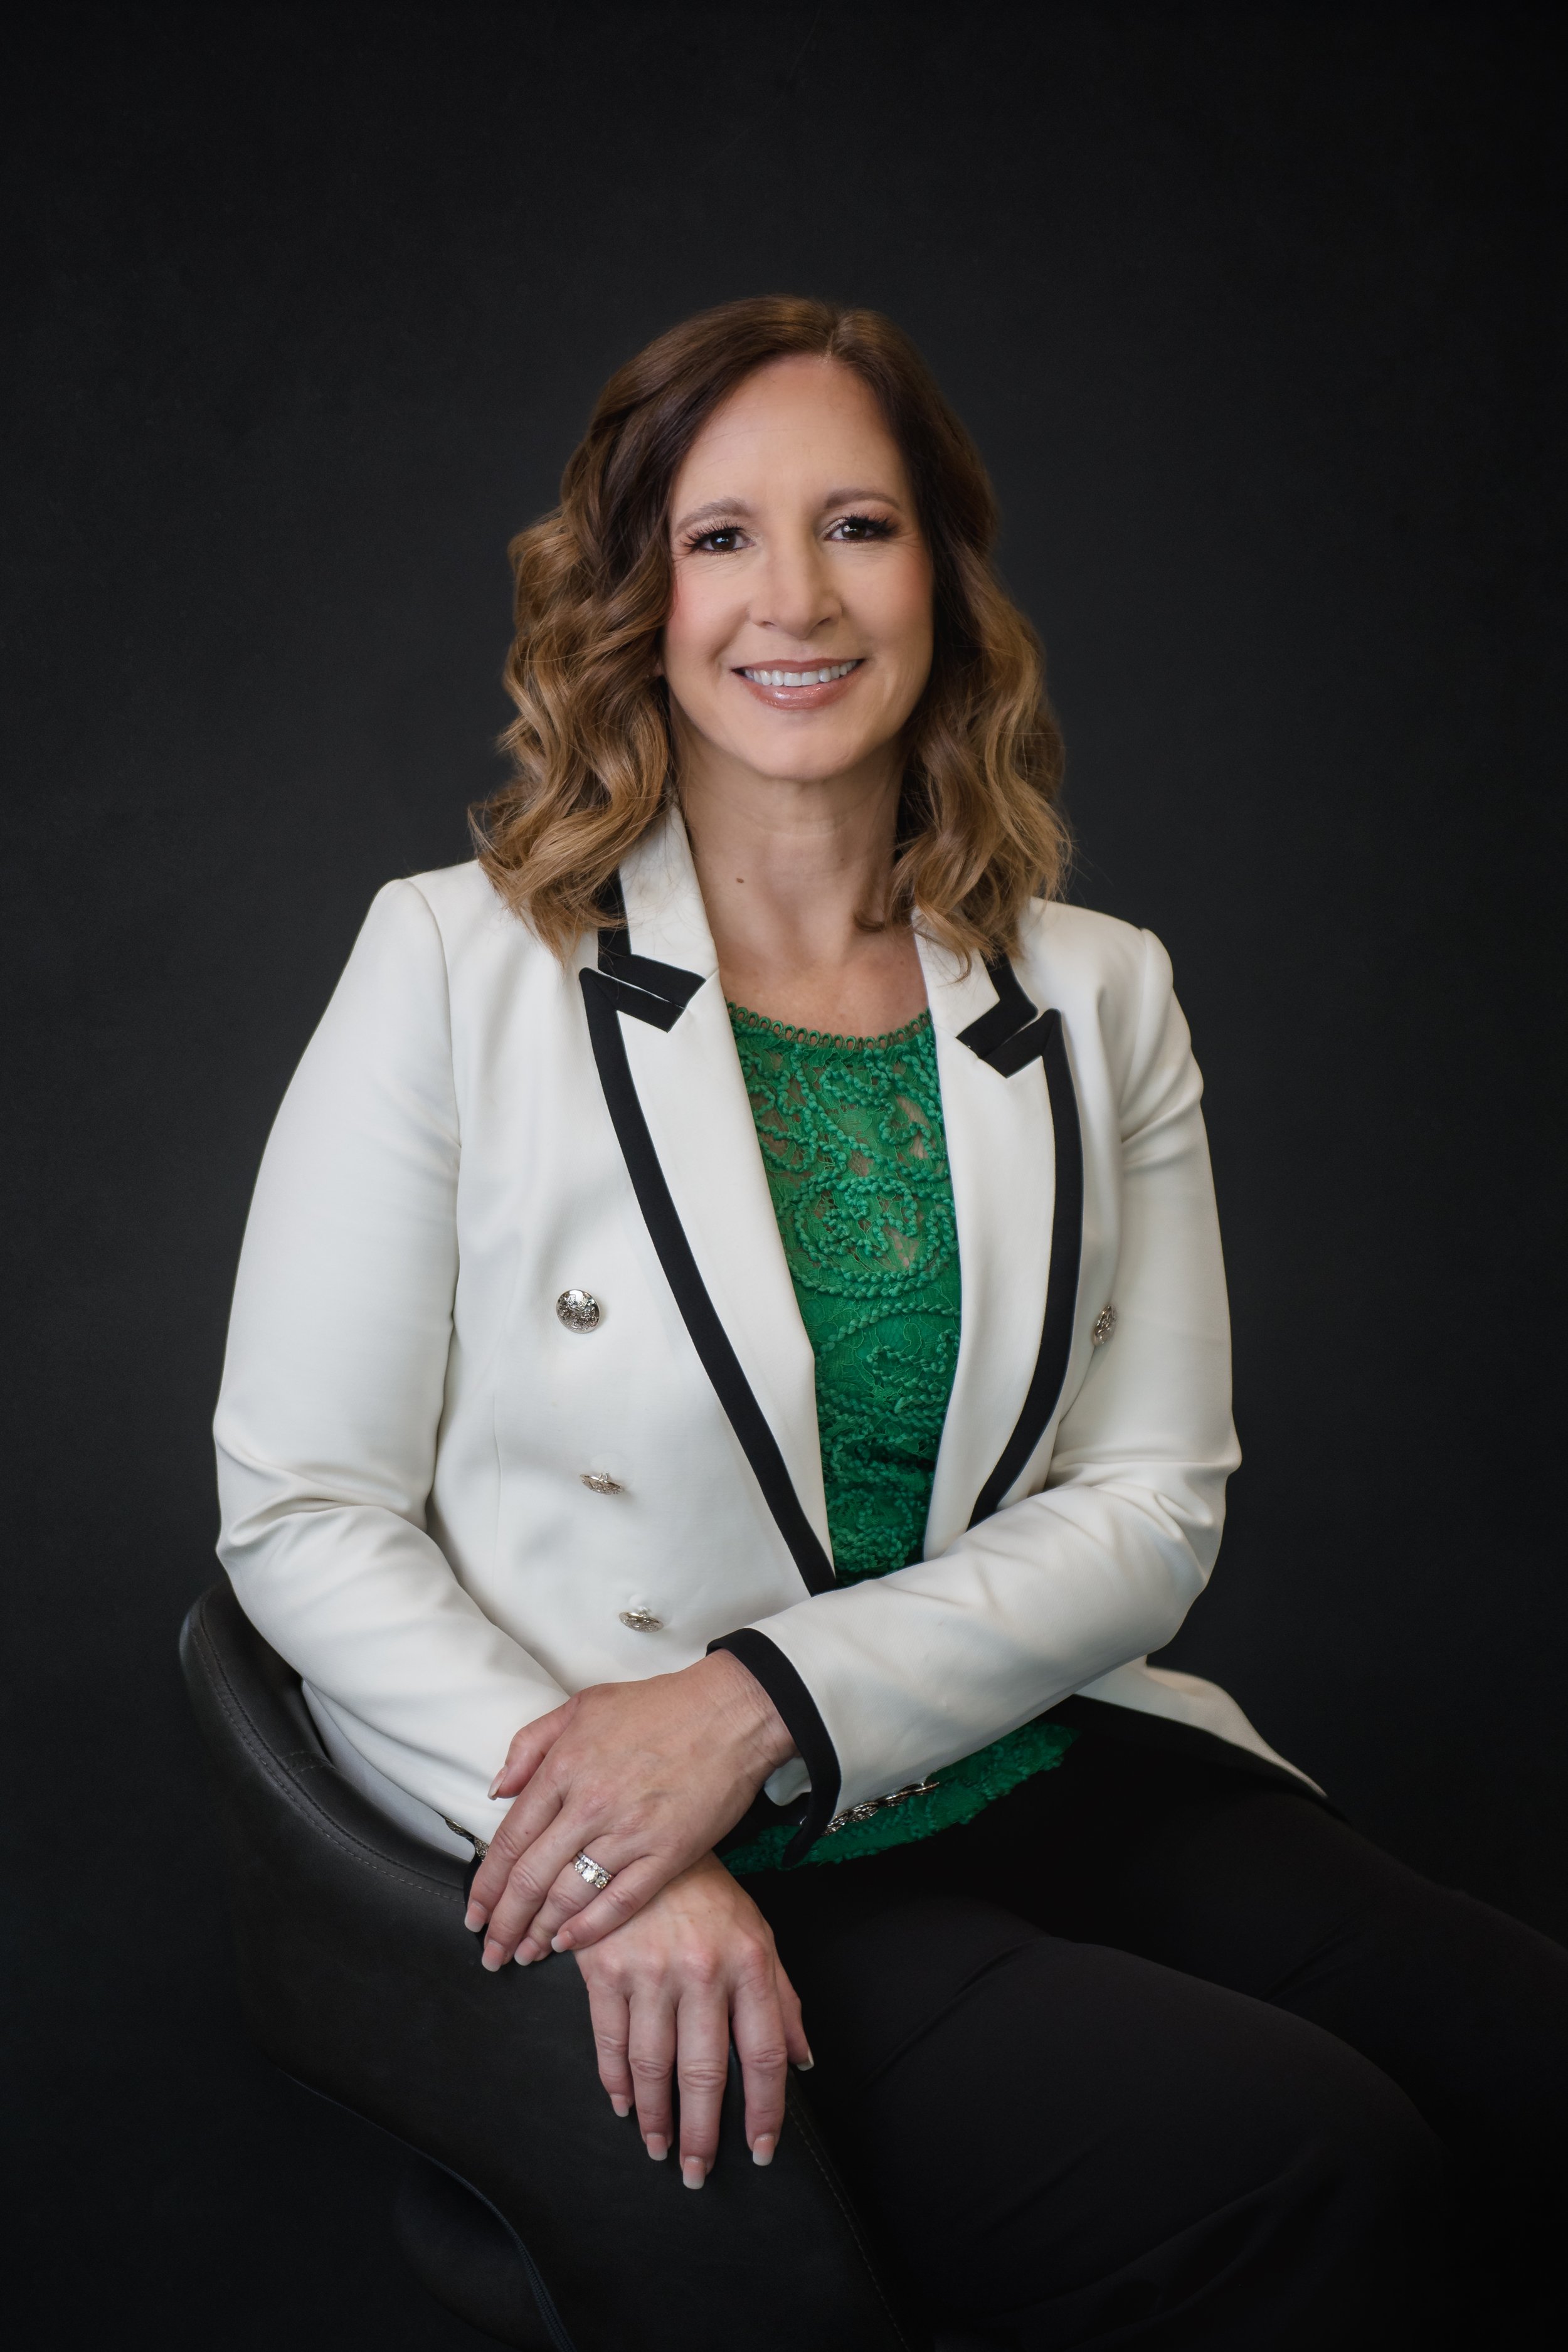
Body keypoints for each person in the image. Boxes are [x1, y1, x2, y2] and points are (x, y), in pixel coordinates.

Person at [214, 295, 1566, 2348]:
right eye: (722, 536)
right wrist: (610, 1841)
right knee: (1304, 2162)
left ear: (939, 569)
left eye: (855, 525)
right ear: (638, 595)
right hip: (699, 1835)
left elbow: (1150, 1505)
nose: (797, 598)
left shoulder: (1097, 993)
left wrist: (759, 1699)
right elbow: (299, 1510)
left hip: (1018, 1752)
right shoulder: (452, 966)